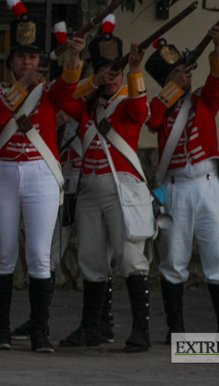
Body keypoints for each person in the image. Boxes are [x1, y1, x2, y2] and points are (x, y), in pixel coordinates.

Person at [0, 0, 84, 353]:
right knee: (4, 254)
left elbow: (68, 90)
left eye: (32, 58)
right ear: (12, 62)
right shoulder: (0, 90)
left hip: (41, 174)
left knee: (40, 256)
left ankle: (40, 332)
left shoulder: (49, 90)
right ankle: (1, 330)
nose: (28, 63)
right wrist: (23, 85)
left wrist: (73, 57)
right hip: (5, 175)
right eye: (21, 58)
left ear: (40, 61)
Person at [59, 24, 152, 352]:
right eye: (103, 73)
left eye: (116, 73)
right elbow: (63, 96)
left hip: (120, 191)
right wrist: (80, 69)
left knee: (130, 258)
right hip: (89, 192)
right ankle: (91, 328)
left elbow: (140, 112)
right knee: (91, 260)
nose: (110, 78)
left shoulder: (129, 101)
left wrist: (136, 70)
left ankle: (141, 331)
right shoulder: (88, 107)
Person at [144, 25, 219, 342]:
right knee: (172, 259)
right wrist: (170, 90)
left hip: (207, 185)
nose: (187, 77)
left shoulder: (203, 101)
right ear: (167, 79)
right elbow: (152, 120)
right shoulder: (161, 105)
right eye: (179, 73)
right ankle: (176, 331)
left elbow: (218, 80)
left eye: (186, 72)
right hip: (176, 188)